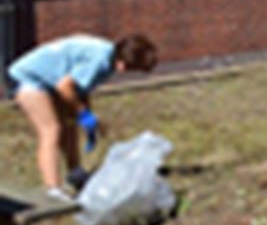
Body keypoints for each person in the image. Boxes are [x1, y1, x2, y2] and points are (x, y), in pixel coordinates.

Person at [7, 33, 158, 201]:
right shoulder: (99, 60)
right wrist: (84, 113)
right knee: (51, 129)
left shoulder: (109, 56)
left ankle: (75, 174)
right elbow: (64, 87)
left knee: (70, 124)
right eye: (132, 68)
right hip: (27, 78)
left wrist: (87, 116)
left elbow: (79, 88)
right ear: (123, 63)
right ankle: (52, 190)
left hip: (52, 80)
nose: (126, 72)